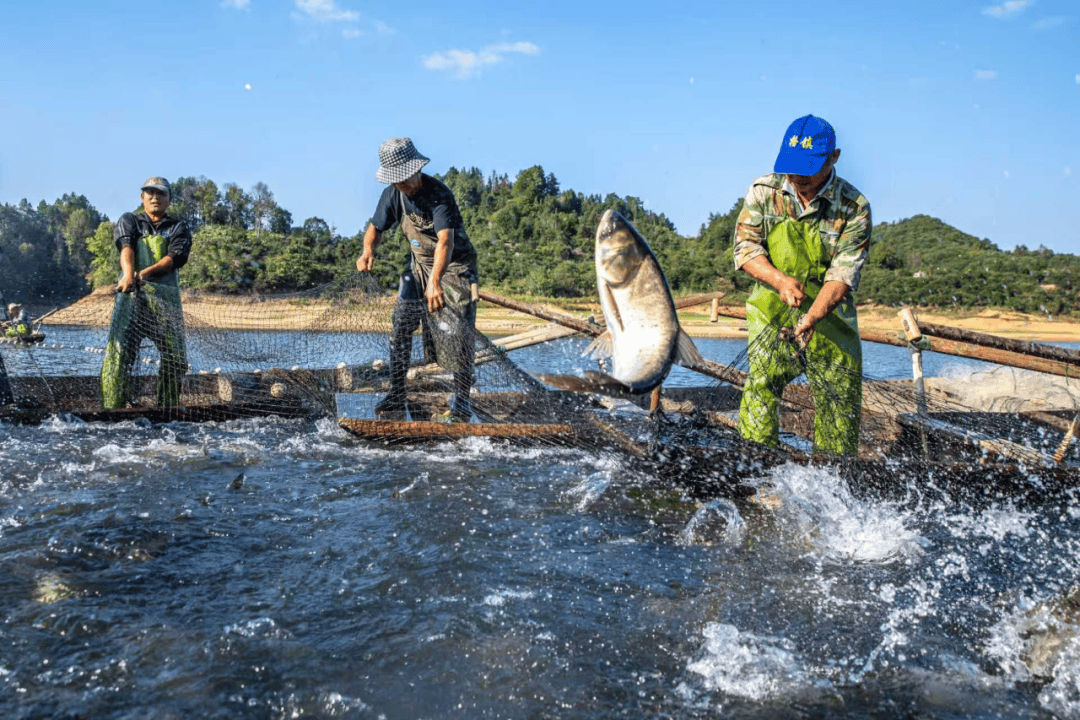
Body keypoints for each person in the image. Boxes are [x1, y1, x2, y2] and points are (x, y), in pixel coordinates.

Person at [733, 115, 871, 456]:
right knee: (761, 387)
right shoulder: (764, 192)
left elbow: (843, 273)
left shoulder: (854, 208)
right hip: (771, 310)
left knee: (838, 399)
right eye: (791, 169)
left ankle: (833, 481)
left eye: (807, 170)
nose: (797, 180)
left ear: (833, 158)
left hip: (830, 317)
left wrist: (813, 316)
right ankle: (754, 467)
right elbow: (745, 248)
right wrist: (779, 280)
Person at [356, 137, 479, 422]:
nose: (402, 184)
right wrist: (367, 250)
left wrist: (435, 282)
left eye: (404, 178)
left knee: (458, 331)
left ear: (416, 169)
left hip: (454, 265)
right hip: (418, 265)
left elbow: (445, 243)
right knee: (401, 323)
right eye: (395, 180)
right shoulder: (392, 195)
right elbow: (375, 227)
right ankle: (397, 393)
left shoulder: (439, 194)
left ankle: (462, 401)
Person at [100, 176, 192, 409]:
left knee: (175, 357)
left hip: (165, 302)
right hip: (130, 300)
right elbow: (126, 246)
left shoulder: (178, 227)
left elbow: (174, 258)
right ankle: (113, 406)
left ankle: (168, 406)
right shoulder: (130, 220)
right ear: (142, 198)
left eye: (161, 193)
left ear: (169, 200)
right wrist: (129, 275)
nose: (154, 197)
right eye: (149, 192)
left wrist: (143, 275)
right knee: (119, 352)